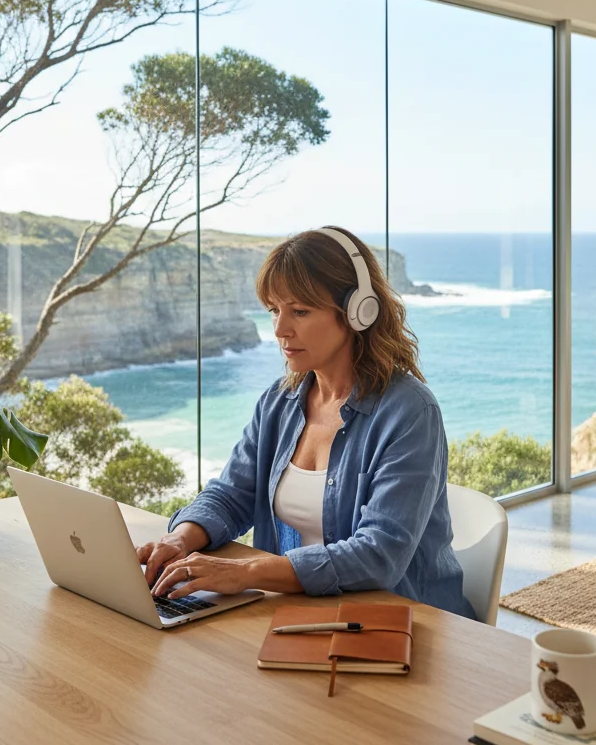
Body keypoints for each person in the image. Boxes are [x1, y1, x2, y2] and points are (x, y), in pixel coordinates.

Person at [136, 226, 476, 620]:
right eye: (274, 311)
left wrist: (245, 572)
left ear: (357, 312)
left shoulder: (410, 413)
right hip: (303, 617)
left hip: (402, 623)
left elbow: (379, 554)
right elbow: (231, 495)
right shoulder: (279, 402)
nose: (280, 329)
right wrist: (180, 540)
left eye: (299, 311)